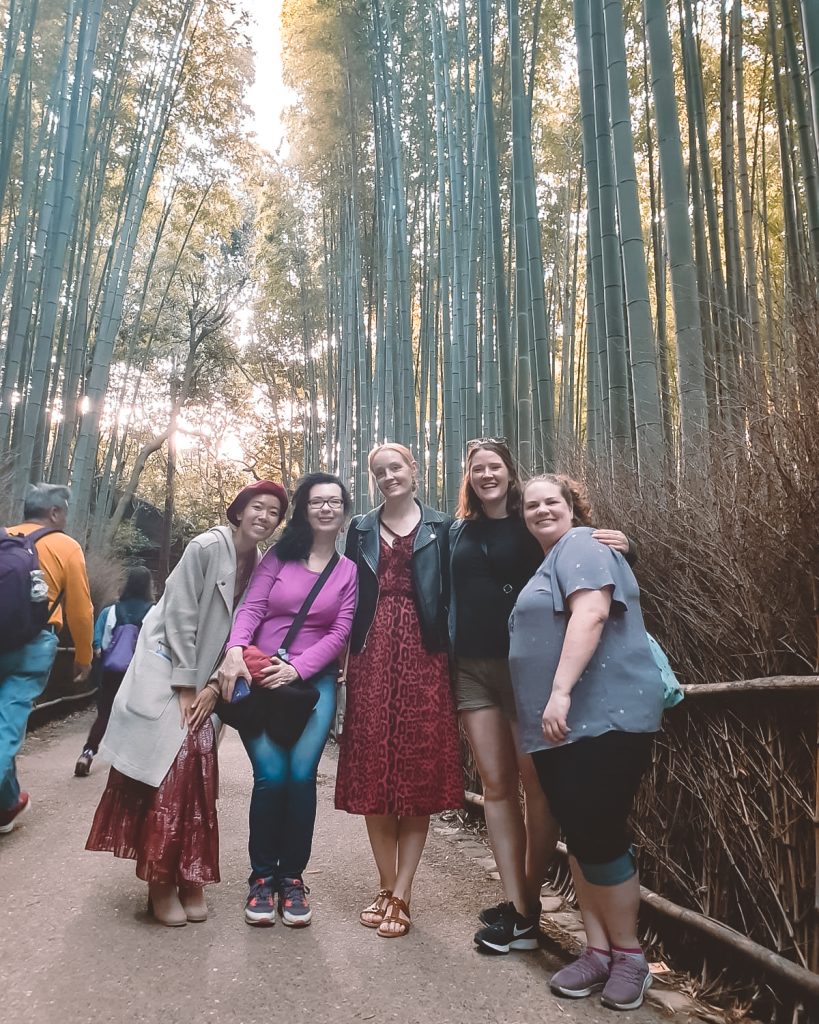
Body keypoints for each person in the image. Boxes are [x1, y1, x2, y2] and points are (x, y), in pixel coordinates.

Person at [449, 439, 634, 954]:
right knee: (496, 786)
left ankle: (529, 904)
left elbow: (590, 561)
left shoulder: (535, 519)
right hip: (471, 666)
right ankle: (519, 905)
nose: (487, 475)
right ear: (468, 476)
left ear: (510, 472)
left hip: (527, 670)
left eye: (495, 467)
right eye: (477, 468)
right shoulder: (457, 530)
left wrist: (628, 546)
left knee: (539, 789)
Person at [85, 481, 288, 926]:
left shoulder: (260, 563)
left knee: (199, 774)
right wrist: (186, 686)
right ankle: (161, 880)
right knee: (172, 769)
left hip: (208, 677)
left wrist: (215, 685)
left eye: (274, 512)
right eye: (258, 507)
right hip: (169, 667)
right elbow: (178, 614)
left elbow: (243, 633)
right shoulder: (206, 546)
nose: (264, 517)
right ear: (239, 510)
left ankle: (190, 875)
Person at [509, 474, 663, 1010]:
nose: (542, 510)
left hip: (601, 716)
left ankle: (630, 956)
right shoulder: (554, 557)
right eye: (532, 505)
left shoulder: (582, 545)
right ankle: (598, 951)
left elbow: (593, 611)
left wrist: (558, 692)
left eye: (553, 501)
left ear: (573, 507)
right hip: (565, 726)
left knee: (599, 832)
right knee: (581, 833)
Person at [217, 472, 357, 929]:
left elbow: (340, 632)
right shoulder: (279, 556)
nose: (325, 508)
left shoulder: (348, 570)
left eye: (334, 502)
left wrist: (298, 668)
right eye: (316, 501)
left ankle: (292, 879)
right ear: (304, 508)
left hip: (311, 685)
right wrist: (236, 650)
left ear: (343, 510)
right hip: (260, 675)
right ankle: (262, 878)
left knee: (300, 776)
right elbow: (252, 607)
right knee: (271, 776)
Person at [335, 444, 463, 938]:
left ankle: (404, 892)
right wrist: (342, 653)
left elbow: (455, 592)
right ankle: (386, 884)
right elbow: (345, 592)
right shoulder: (361, 529)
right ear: (374, 480)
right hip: (370, 652)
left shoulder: (443, 528)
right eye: (379, 472)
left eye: (397, 468)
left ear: (415, 469)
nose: (389, 477)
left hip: (424, 652)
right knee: (374, 773)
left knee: (415, 774)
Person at [0, 483, 93, 833]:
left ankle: (7, 804)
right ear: (55, 513)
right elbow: (81, 611)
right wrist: (83, 656)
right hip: (33, 646)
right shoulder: (65, 545)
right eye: (65, 511)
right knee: (6, 726)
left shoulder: (4, 537)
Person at [74, 565, 155, 777]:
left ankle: (87, 753)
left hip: (111, 670)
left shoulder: (111, 610)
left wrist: (103, 651)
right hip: (139, 673)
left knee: (104, 714)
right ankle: (130, 766)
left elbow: (99, 642)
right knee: (136, 715)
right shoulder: (154, 612)